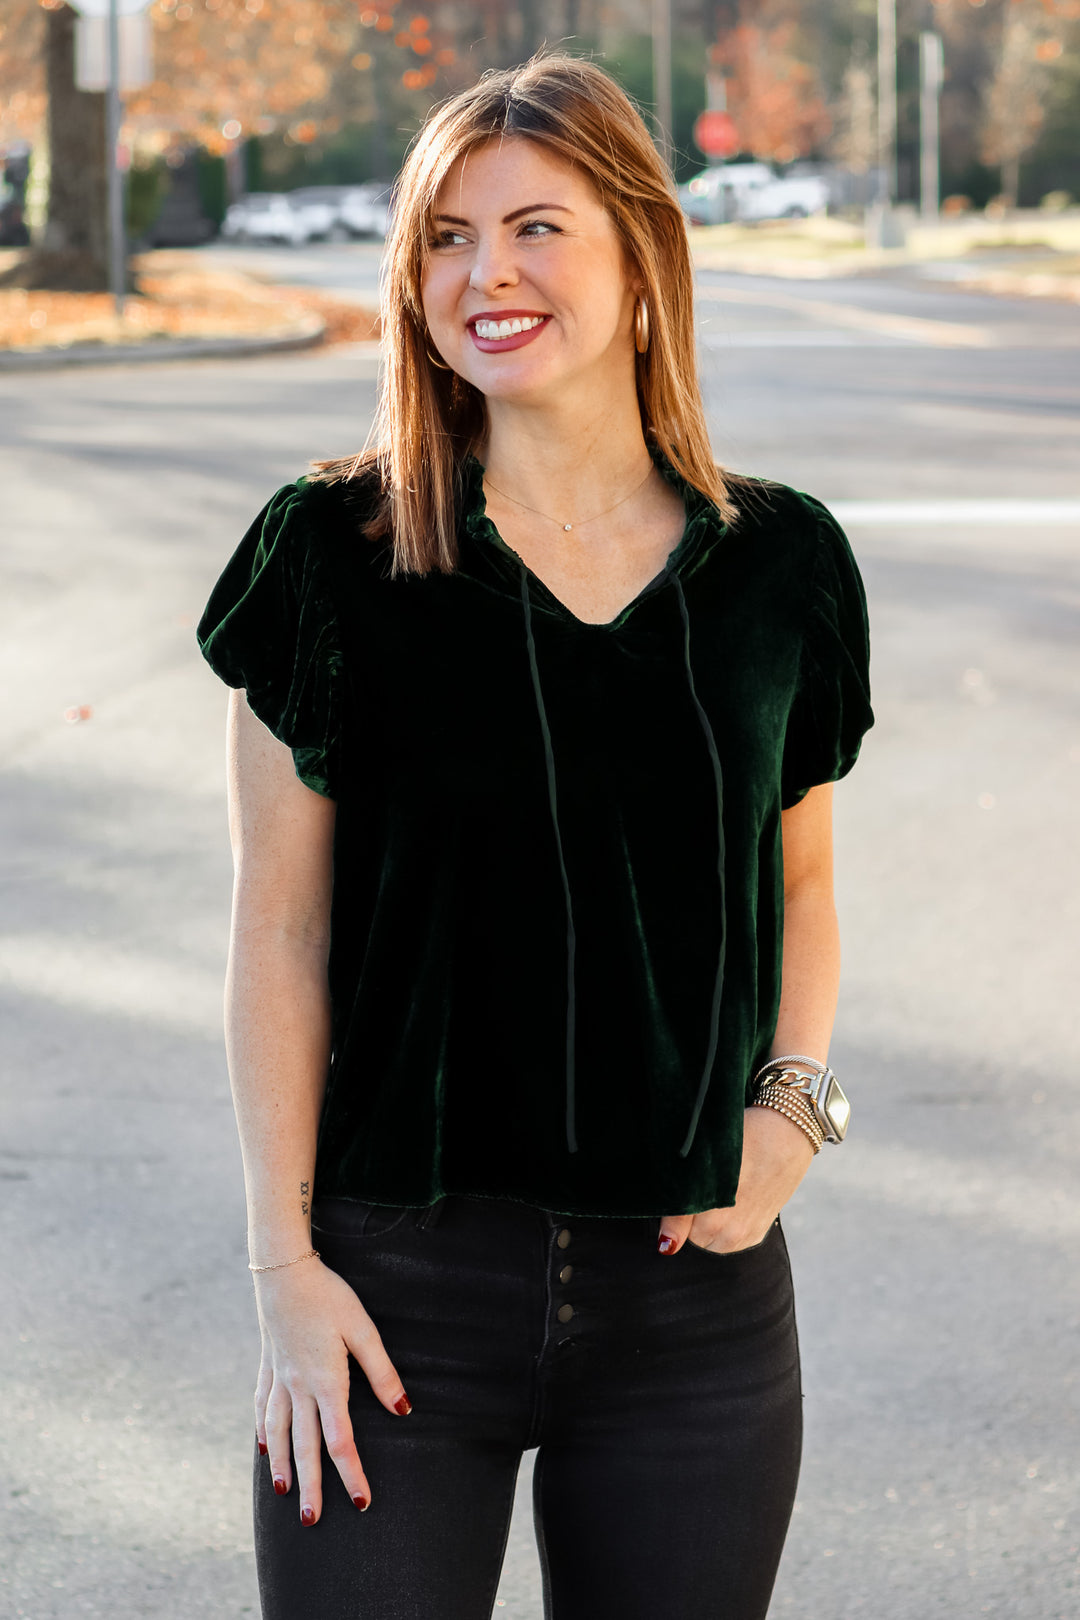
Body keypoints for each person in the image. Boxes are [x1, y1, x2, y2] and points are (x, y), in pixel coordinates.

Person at [196, 52, 873, 1620]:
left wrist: (792, 1118)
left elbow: (808, 884)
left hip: (694, 1318)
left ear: (644, 257)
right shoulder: (331, 556)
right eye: (444, 235)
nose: (483, 272)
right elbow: (278, 937)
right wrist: (285, 1275)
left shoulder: (781, 566)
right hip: (388, 1299)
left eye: (535, 228)